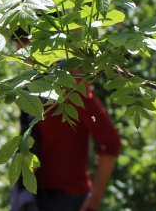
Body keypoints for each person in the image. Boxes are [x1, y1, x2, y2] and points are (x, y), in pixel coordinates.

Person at [9, 38, 122, 211]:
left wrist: (96, 197)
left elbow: (110, 141)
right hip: (37, 199)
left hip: (68, 200)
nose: (18, 47)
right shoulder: (33, 85)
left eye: (23, 39)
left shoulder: (71, 85)